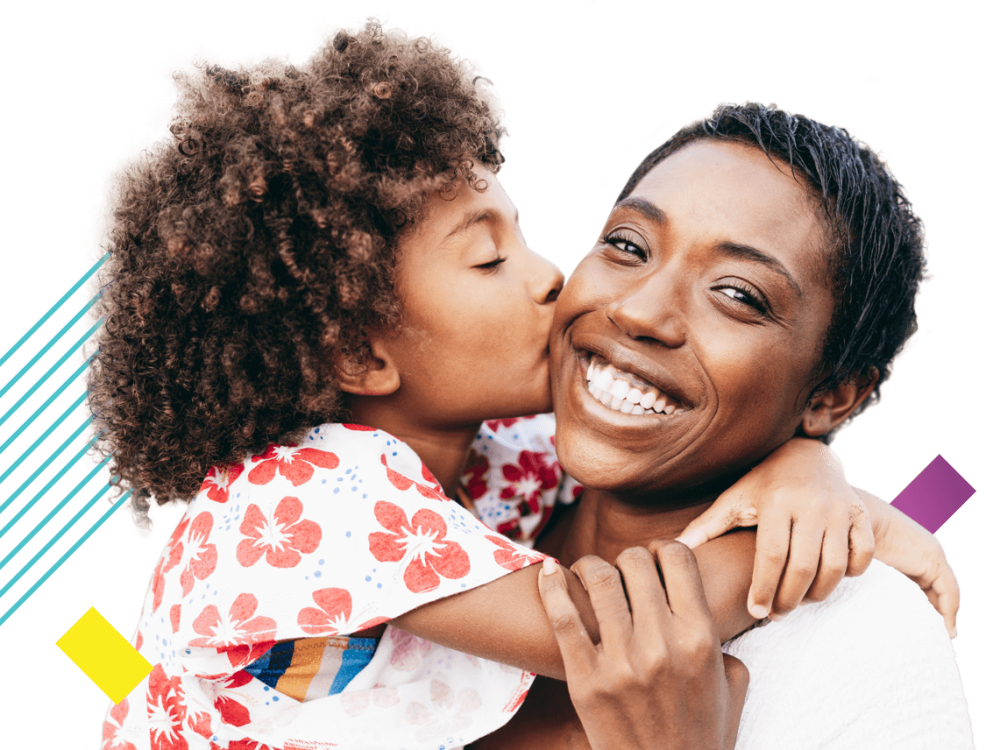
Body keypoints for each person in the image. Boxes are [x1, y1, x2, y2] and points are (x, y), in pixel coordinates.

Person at [88, 19, 959, 750]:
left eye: (737, 293)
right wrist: (840, 533)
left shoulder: (500, 459)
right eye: (489, 260)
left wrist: (812, 471)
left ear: (835, 393)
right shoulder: (307, 494)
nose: (553, 281)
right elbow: (596, 624)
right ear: (358, 354)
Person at [470, 102, 973, 749]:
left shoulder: (867, 645)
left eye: (738, 294)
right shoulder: (467, 498)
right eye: (628, 246)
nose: (640, 311)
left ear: (832, 396)